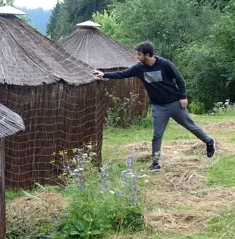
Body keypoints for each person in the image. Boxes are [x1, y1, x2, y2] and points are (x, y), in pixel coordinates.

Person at [92, 42, 216, 171]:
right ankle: (156, 162)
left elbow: (179, 79)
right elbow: (123, 74)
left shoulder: (165, 64)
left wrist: (183, 96)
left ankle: (208, 141)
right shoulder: (139, 68)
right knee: (157, 135)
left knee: (190, 126)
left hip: (174, 103)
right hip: (159, 107)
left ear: (147, 55)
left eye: (139, 54)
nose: (137, 56)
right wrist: (104, 74)